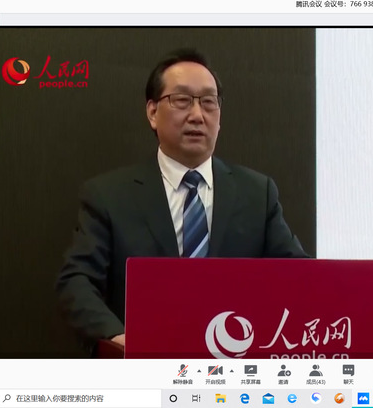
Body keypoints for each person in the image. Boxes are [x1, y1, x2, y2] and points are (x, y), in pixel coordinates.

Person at [55, 49, 308, 352]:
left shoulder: (257, 193)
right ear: (152, 112)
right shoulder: (109, 195)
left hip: (234, 358)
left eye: (208, 102)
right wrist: (120, 338)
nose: (197, 115)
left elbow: (299, 277)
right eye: (182, 100)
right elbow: (77, 280)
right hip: (146, 360)